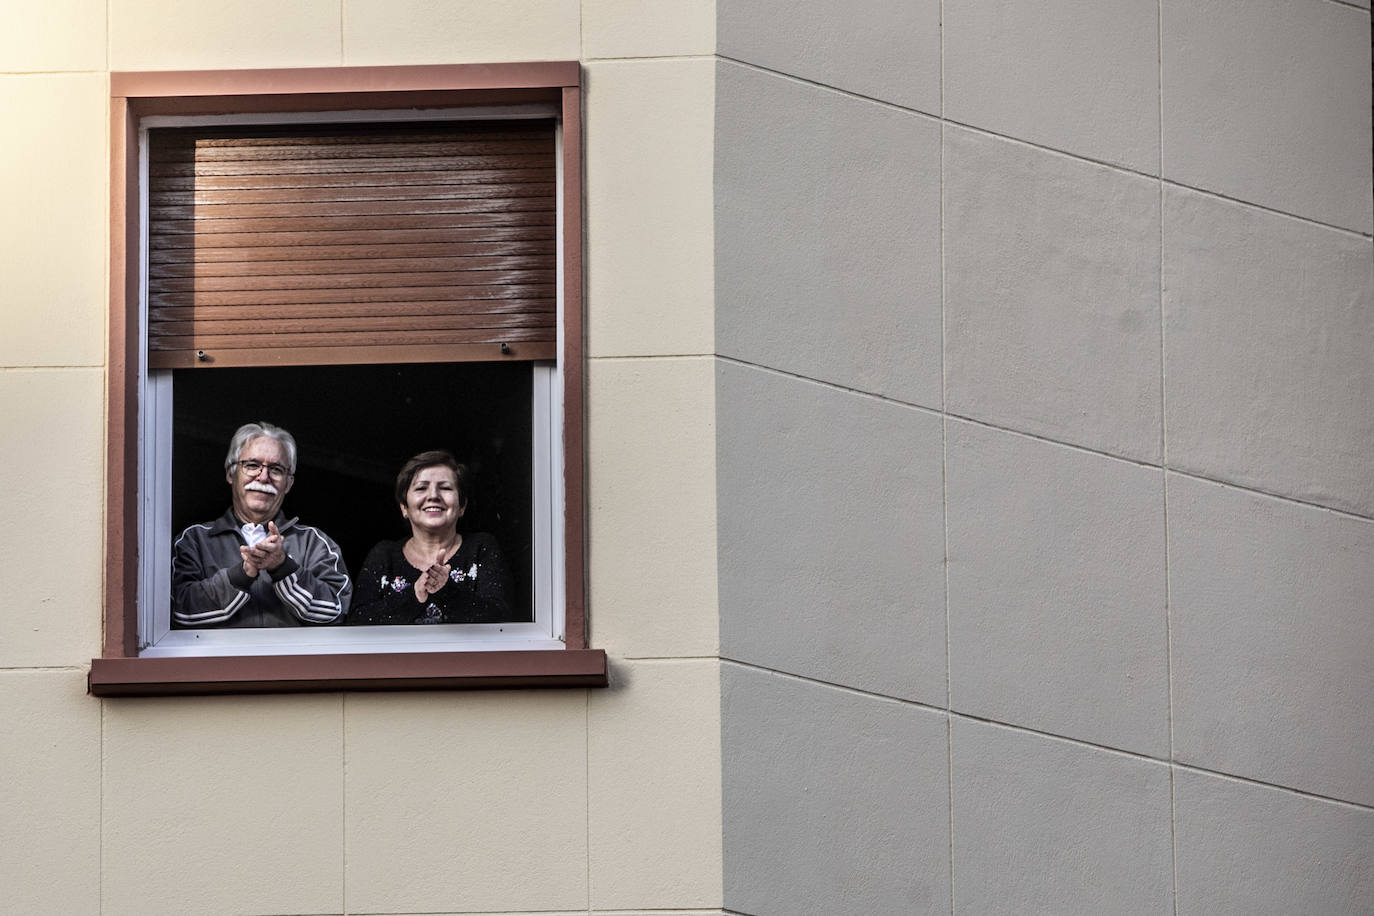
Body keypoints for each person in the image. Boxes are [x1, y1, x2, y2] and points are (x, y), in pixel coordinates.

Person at [172, 422, 351, 627]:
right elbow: (179, 612)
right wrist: (241, 574)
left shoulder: (314, 543)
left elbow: (336, 611)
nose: (264, 477)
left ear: (288, 483)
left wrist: (282, 567)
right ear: (231, 474)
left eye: (276, 469)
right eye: (252, 465)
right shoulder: (194, 540)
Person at [348, 450, 511, 625]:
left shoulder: (480, 548)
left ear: (462, 506)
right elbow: (358, 622)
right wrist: (415, 595)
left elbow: (500, 619)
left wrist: (446, 591)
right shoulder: (385, 555)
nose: (433, 496)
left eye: (445, 488)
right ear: (404, 507)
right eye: (421, 488)